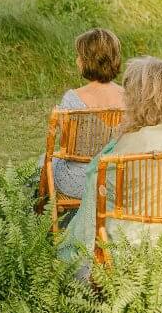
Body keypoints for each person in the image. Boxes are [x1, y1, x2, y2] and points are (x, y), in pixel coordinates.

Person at [58, 57, 162, 275]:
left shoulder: (127, 149)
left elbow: (93, 207)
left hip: (139, 257)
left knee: (80, 253)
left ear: (138, 99)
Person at [39, 28, 124, 199]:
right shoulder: (129, 97)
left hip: (78, 182)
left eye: (79, 56)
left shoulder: (72, 99)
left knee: (43, 161)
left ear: (88, 61)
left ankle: (38, 211)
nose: (77, 60)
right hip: (116, 180)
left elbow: (66, 143)